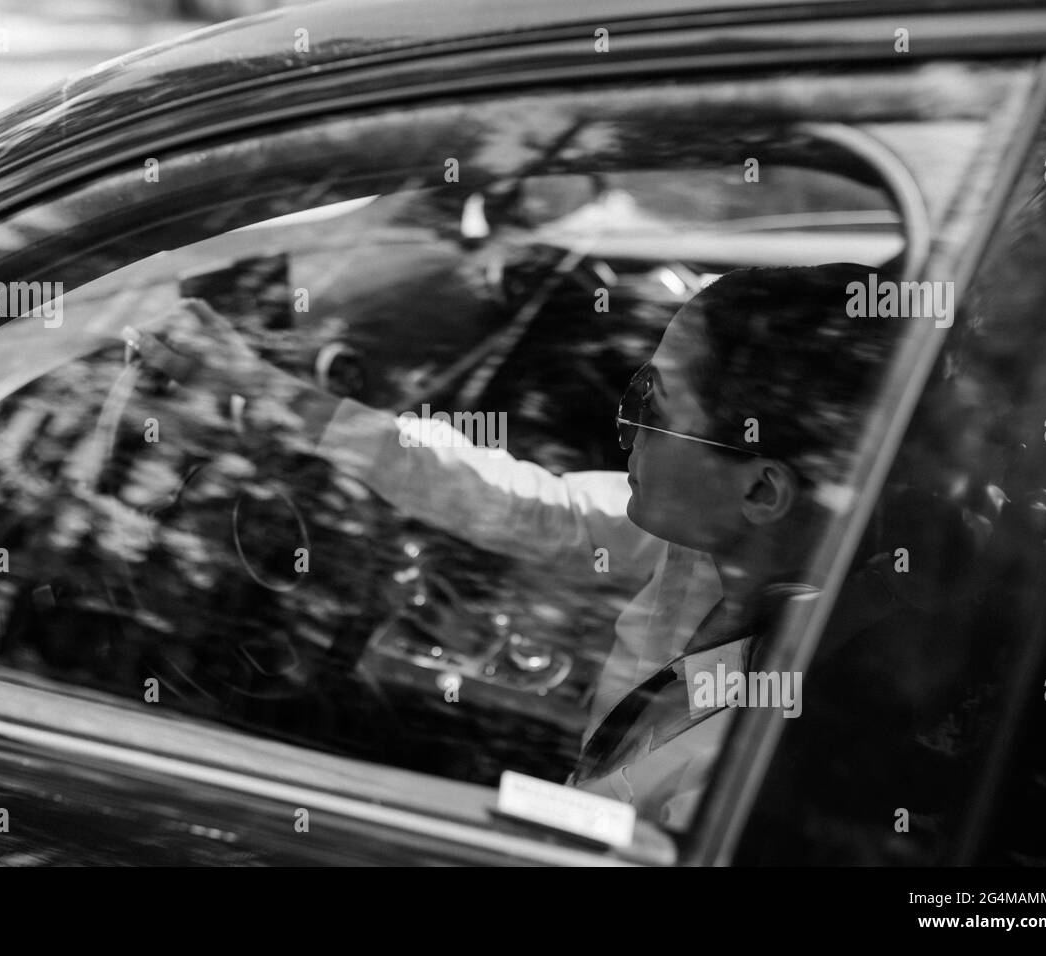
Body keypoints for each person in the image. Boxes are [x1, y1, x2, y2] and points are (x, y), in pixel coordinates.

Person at [181, 261, 900, 828]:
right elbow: (528, 506)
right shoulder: (720, 549)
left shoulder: (786, 739)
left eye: (657, 405)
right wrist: (275, 394)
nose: (628, 422)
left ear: (762, 492)